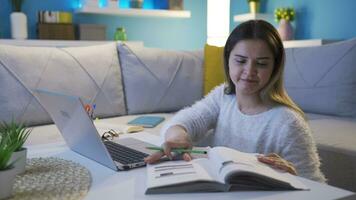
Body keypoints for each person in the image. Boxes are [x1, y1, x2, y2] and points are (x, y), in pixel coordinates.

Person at [144, 20, 326, 183]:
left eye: (261, 64)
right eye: (241, 61)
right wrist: (177, 137)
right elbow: (186, 120)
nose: (249, 71)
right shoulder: (223, 96)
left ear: (275, 67)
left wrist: (291, 178)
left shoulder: (289, 123)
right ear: (228, 60)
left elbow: (317, 187)